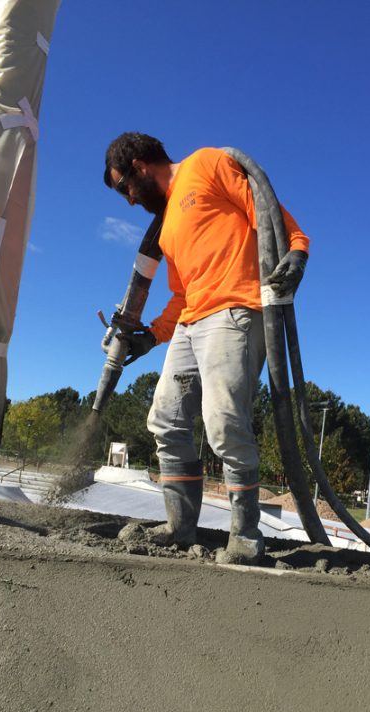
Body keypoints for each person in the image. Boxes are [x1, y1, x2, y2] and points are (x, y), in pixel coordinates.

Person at [103, 132, 309, 565]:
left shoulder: (207, 164)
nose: (128, 200)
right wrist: (152, 334)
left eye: (125, 187)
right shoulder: (167, 229)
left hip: (236, 311)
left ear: (140, 165)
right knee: (165, 418)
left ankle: (246, 536)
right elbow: (180, 295)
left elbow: (267, 212)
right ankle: (180, 527)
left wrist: (297, 249)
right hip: (192, 321)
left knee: (223, 425)